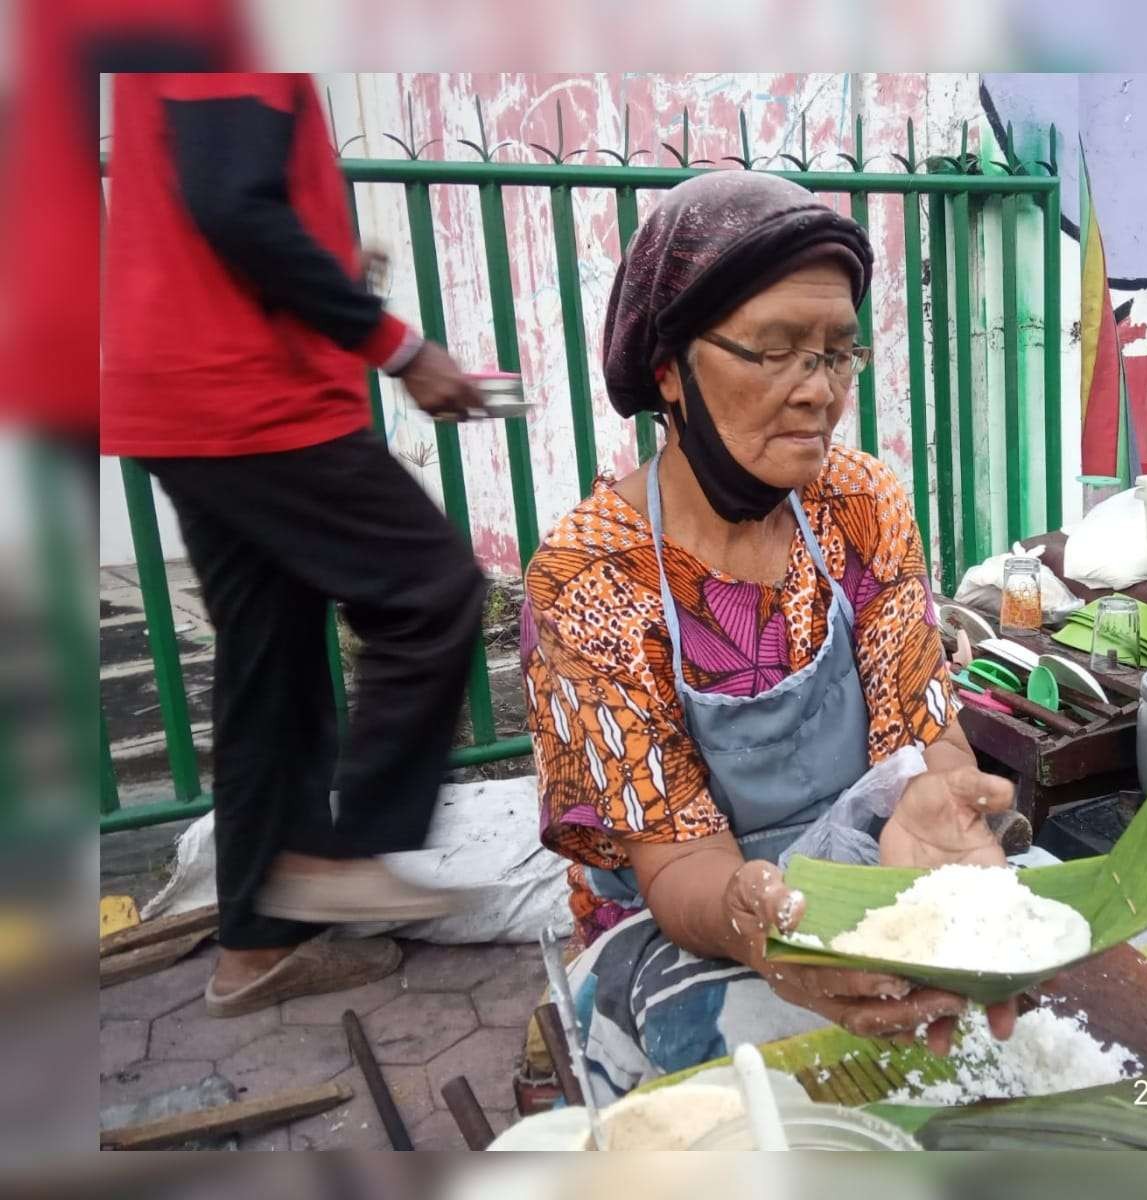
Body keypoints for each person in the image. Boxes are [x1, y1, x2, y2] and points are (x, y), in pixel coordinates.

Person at [523, 171, 1024, 1100]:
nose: (820, 394)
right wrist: (766, 925)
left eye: (838, 353)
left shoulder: (861, 504)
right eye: (777, 352)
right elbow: (678, 863)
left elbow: (924, 733)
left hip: (868, 871)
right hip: (688, 918)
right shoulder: (594, 574)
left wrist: (945, 806)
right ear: (670, 369)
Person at [101, 73, 488, 1017]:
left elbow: (226, 200)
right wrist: (399, 346)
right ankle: (342, 857)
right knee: (433, 589)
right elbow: (231, 202)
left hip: (179, 389)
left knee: (267, 666)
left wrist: (324, 266)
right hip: (249, 396)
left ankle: (256, 951)